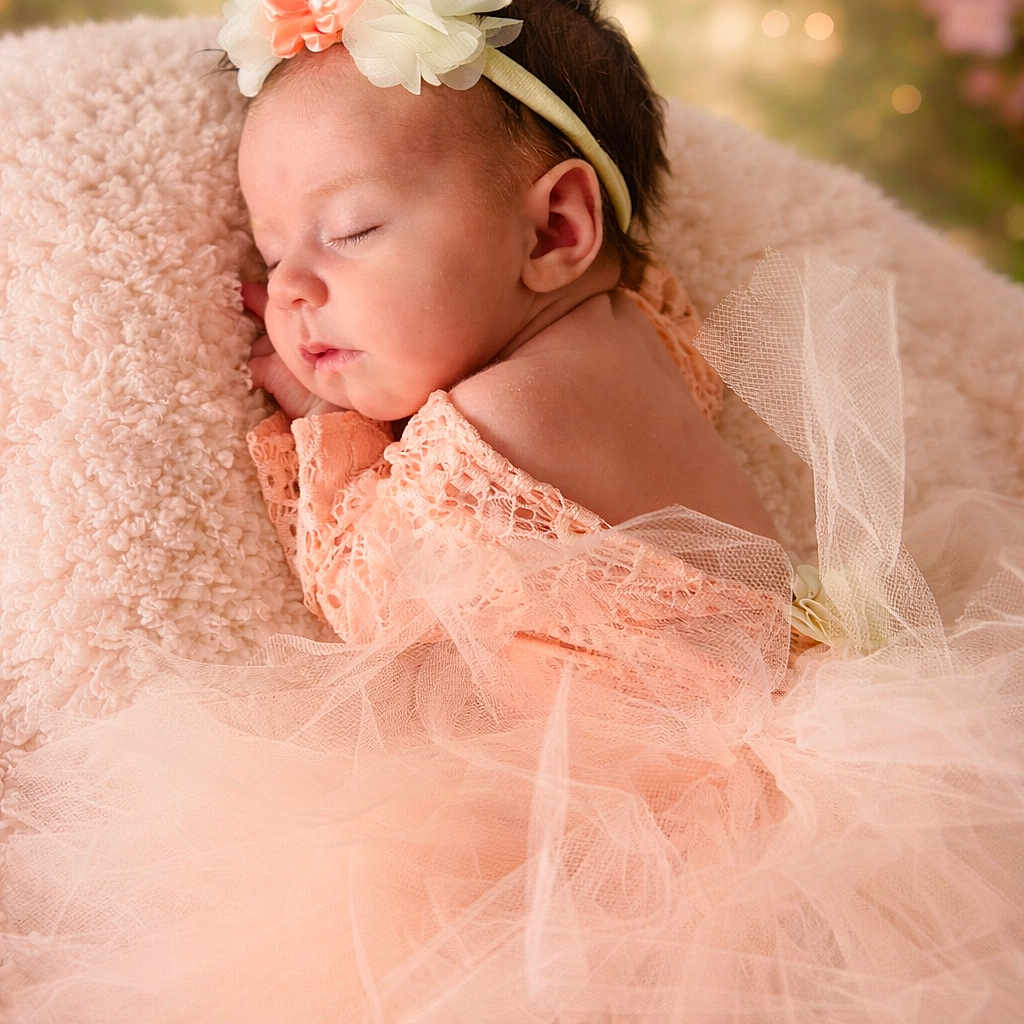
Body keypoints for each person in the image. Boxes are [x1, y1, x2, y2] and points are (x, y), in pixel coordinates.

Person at [2, 1, 1022, 1020]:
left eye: (351, 230)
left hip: (667, 839)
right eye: (272, 259)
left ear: (555, 228)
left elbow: (367, 586)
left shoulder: (508, 419)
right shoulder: (642, 325)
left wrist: (325, 417)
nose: (296, 291)